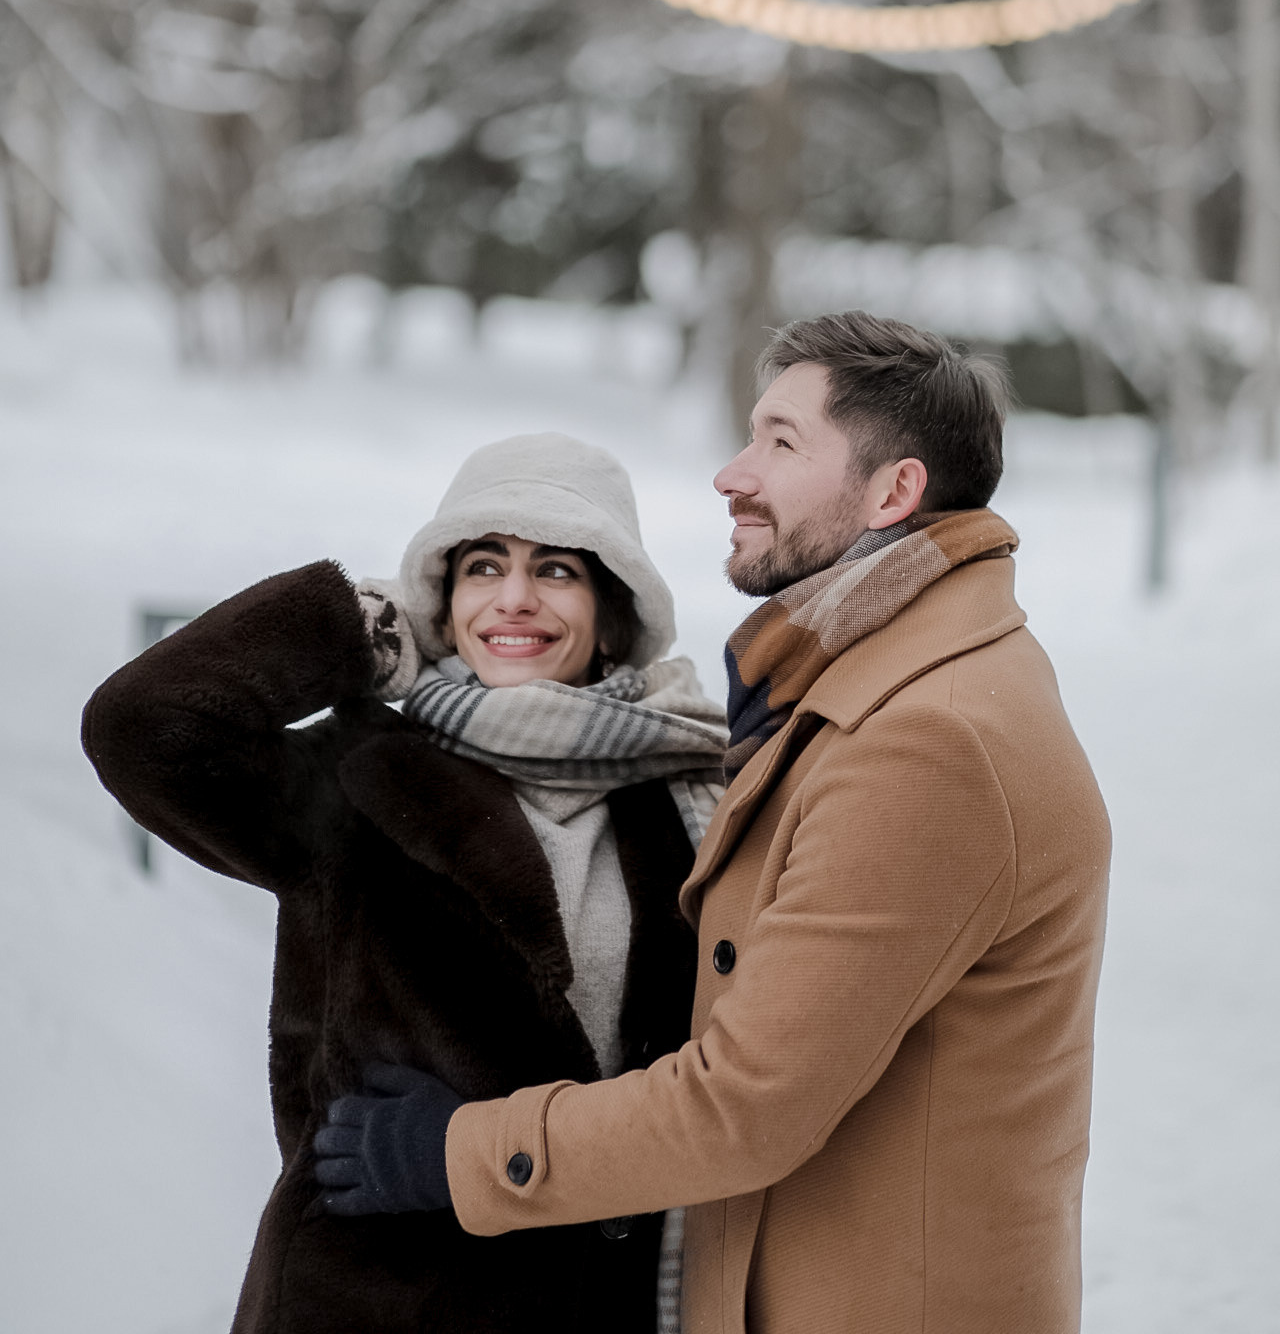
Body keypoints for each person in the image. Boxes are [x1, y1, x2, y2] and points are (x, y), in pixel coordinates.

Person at [316, 312, 1113, 1334]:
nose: (730, 474)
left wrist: (458, 1152)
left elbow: (745, 1103)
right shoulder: (884, 678)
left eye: (780, 443)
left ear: (892, 492)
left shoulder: (923, 740)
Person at [81, 432, 728, 1334]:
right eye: (482, 567)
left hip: (599, 1304)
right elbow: (141, 728)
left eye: (556, 571)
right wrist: (359, 631)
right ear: (441, 603)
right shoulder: (360, 782)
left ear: (613, 615)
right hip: (375, 1302)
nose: (514, 598)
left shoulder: (695, 801)